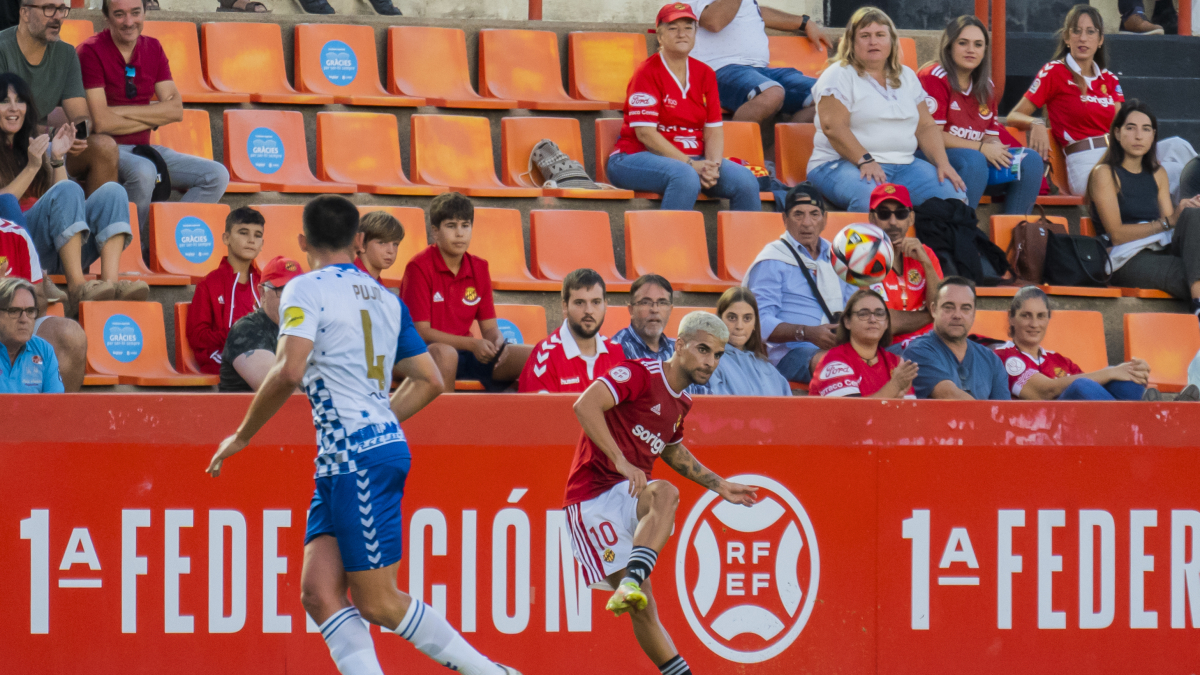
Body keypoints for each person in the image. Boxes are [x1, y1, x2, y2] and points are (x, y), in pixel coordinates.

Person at [205, 195, 521, 675]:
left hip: (356, 457)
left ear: (303, 241)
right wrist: (382, 419)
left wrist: (243, 434)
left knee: (378, 601)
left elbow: (288, 370)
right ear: (357, 241)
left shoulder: (304, 288)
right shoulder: (384, 298)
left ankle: (493, 673)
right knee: (318, 592)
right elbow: (430, 378)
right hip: (350, 456)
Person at [565, 311, 756, 675]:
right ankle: (632, 584)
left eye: (717, 354)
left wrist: (719, 485)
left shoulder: (682, 402)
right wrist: (620, 460)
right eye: (703, 350)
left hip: (631, 492)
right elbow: (584, 404)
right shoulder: (640, 374)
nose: (710, 361)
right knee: (645, 608)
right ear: (679, 345)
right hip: (593, 497)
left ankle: (632, 581)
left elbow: (670, 449)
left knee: (665, 493)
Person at [77, 0, 229, 257]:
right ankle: (126, 253)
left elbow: (175, 110)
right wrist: (154, 115)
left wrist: (118, 112)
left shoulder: (153, 47)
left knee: (216, 175)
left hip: (144, 148)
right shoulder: (90, 51)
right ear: (106, 17)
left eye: (135, 13)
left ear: (145, 13)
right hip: (106, 149)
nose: (129, 22)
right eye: (119, 14)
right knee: (144, 171)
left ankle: (164, 247)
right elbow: (101, 123)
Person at [1008, 5, 1196, 197]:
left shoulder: (1109, 79)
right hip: (1086, 163)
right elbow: (1014, 115)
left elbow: (1121, 127)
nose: (1083, 38)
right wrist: (1036, 123)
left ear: (1100, 40)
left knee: (1178, 147)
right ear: (1066, 38)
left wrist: (1141, 152)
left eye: (1090, 32)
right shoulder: (1054, 72)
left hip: (1118, 154)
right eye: (1076, 31)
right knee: (1175, 172)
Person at [0, 72, 140, 316]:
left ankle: (110, 284)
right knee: (68, 189)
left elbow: (61, 202)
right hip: (19, 248)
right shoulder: (32, 156)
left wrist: (56, 159)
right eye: (4, 101)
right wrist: (33, 167)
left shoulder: (33, 145)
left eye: (19, 100)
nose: (14, 108)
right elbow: (4, 203)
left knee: (113, 192)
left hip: (56, 246)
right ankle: (77, 287)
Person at [806, 6, 966, 212]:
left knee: (954, 196)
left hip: (905, 165)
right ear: (852, 42)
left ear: (891, 41)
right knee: (872, 197)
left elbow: (926, 126)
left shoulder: (907, 76)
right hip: (840, 164)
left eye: (880, 35)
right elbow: (833, 127)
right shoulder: (839, 74)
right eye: (865, 36)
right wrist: (865, 161)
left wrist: (943, 164)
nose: (873, 42)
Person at [606, 3, 761, 212]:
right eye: (673, 28)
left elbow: (713, 130)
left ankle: (747, 237)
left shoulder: (705, 73)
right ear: (659, 36)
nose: (682, 34)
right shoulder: (646, 72)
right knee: (685, 177)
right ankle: (670, 235)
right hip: (634, 157)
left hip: (694, 159)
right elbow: (645, 133)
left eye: (688, 28)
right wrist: (690, 164)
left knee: (746, 181)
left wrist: (713, 166)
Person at [400, 192, 531, 393]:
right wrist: (472, 344)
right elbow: (421, 332)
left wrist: (497, 340)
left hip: (468, 353)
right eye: (451, 226)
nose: (460, 233)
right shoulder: (418, 267)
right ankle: (443, 415)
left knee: (537, 355)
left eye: (465, 225)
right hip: (426, 354)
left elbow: (489, 328)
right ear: (435, 231)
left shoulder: (479, 267)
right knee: (446, 354)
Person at [918, 15, 1044, 215]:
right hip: (932, 159)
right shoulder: (934, 77)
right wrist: (981, 148)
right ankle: (960, 228)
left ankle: (1017, 230)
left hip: (975, 162)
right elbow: (931, 134)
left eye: (978, 44)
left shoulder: (987, 87)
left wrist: (995, 147)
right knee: (975, 160)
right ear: (949, 46)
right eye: (963, 43)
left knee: (1029, 160)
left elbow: (990, 135)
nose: (971, 50)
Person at [1087, 100, 1200, 317]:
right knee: (1186, 273)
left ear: (1153, 135)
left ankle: (1198, 306)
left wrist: (1184, 210)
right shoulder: (1104, 173)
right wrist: (1167, 222)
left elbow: (1170, 225)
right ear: (1117, 133)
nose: (1139, 136)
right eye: (1131, 128)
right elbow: (1116, 234)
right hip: (1126, 257)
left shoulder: (1158, 174)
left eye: (1146, 129)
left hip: (1160, 248)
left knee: (1194, 214)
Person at [0, 0, 119, 196]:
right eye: (48, 9)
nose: (57, 17)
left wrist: (78, 134)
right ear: (25, 13)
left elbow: (81, 115)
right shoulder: (3, 49)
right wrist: (53, 133)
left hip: (44, 144)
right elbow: (7, 121)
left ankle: (96, 216)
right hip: (7, 145)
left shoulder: (66, 54)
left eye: (62, 9)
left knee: (104, 148)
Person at [993, 286, 1165, 401]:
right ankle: (1139, 421)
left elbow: (1095, 392)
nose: (1034, 324)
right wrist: (1112, 371)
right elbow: (1045, 391)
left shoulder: (1059, 360)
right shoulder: (1003, 356)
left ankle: (1133, 421)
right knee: (1081, 386)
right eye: (1026, 315)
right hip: (1039, 430)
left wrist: (1133, 370)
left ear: (1048, 318)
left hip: (1082, 427)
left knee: (1128, 382)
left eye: (1041, 316)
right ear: (1011, 318)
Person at [688, 0, 830, 126]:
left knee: (831, 96)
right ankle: (734, 147)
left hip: (760, 70)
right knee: (770, 93)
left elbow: (755, 12)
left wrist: (804, 23)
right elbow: (714, 21)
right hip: (718, 69)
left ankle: (780, 147)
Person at [0, 206, 86, 391]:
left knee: (70, 334)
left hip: (12, 321)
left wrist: (11, 295)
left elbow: (38, 303)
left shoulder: (16, 235)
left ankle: (58, 409)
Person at [518, 268, 626, 393]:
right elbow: (536, 406)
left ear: (605, 305)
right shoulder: (545, 355)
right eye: (579, 303)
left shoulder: (616, 352)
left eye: (596, 302)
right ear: (565, 306)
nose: (589, 310)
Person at [187, 206, 264, 375]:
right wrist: (236, 332)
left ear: (262, 245)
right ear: (226, 238)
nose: (251, 240)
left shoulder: (265, 284)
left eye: (257, 235)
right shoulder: (208, 284)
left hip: (261, 356)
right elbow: (197, 337)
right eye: (243, 233)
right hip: (221, 357)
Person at [904, 276, 1009, 400]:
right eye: (948, 307)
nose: (957, 315)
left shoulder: (991, 360)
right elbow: (949, 396)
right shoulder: (917, 351)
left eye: (965, 308)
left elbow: (1003, 409)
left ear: (973, 313)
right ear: (933, 310)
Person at [865, 183, 940, 345]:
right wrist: (930, 315)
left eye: (901, 214)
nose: (893, 222)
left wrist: (926, 264)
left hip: (932, 343)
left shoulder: (925, 254)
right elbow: (883, 323)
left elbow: (940, 307)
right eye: (884, 214)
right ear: (872, 219)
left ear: (911, 218)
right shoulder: (861, 259)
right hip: (889, 348)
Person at [809, 288, 917, 398]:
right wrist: (895, 386)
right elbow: (853, 409)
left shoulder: (895, 362)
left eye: (879, 314)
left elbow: (910, 407)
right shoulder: (833, 362)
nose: (873, 319)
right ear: (847, 321)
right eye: (863, 314)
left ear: (886, 323)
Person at [612, 274, 709, 394]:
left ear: (670, 310)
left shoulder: (681, 349)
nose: (654, 309)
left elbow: (705, 396)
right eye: (645, 302)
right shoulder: (616, 349)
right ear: (631, 310)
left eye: (662, 303)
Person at [217, 256, 302, 393]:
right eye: (282, 290)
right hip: (249, 408)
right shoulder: (247, 330)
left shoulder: (309, 329)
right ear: (262, 292)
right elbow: (278, 390)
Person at [706, 286, 791, 395]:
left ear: (755, 323)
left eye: (747, 318)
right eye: (732, 318)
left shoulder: (770, 370)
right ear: (719, 320)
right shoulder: (709, 363)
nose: (739, 326)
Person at [0, 275, 62, 392]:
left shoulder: (44, 350)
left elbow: (55, 401)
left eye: (30, 311)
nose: (24, 319)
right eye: (14, 311)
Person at [355, 210, 404, 284]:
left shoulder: (377, 282)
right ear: (362, 244)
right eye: (382, 243)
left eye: (395, 244)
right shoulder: (348, 279)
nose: (391, 251)